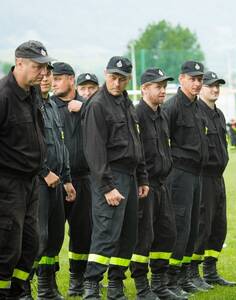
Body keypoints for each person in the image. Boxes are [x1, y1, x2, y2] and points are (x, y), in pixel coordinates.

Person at [82, 56, 149, 300]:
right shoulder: (97, 104)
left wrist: (142, 177)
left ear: (128, 79)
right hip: (110, 177)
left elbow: (136, 142)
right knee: (106, 233)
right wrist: (108, 186)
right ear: (105, 74)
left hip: (130, 177)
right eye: (113, 77)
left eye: (122, 79)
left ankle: (116, 285)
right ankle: (91, 286)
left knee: (128, 235)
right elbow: (94, 151)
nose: (116, 83)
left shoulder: (126, 103)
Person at [0, 40, 51, 299]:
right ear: (19, 62)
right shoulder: (4, 95)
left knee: (30, 245)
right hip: (8, 184)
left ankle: (19, 292)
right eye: (36, 66)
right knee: (6, 247)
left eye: (44, 67)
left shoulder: (31, 93)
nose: (43, 73)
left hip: (31, 183)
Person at [129, 68, 182, 300]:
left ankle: (159, 284)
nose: (163, 90)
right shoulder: (137, 115)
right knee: (144, 236)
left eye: (164, 86)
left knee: (166, 233)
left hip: (163, 184)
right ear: (144, 89)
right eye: (157, 86)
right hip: (145, 185)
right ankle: (142, 287)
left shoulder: (162, 115)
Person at [163, 61, 209, 296]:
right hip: (179, 174)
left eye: (199, 79)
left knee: (192, 226)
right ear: (181, 79)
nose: (197, 83)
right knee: (179, 227)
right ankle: (170, 280)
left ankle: (183, 276)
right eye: (192, 79)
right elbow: (162, 141)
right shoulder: (172, 107)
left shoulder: (197, 107)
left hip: (196, 174)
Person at [191, 71, 236, 290]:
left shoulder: (218, 114)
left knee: (219, 226)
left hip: (219, 177)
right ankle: (193, 273)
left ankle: (211, 271)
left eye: (218, 86)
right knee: (202, 225)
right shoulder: (197, 112)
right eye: (211, 86)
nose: (215, 89)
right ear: (202, 88)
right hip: (203, 177)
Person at [51, 62, 92, 297]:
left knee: (82, 232)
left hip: (84, 178)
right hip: (54, 181)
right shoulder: (47, 106)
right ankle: (48, 282)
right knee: (51, 234)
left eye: (57, 78)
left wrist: (84, 109)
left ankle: (78, 279)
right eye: (51, 78)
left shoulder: (88, 106)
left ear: (70, 79)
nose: (53, 82)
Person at [36, 63, 76, 300]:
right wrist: (44, 172)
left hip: (58, 183)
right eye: (42, 73)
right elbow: (25, 147)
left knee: (54, 237)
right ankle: (22, 289)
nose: (45, 78)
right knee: (37, 237)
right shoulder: (29, 106)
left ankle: (46, 286)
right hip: (39, 182)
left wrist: (68, 179)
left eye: (49, 74)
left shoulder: (51, 105)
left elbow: (62, 146)